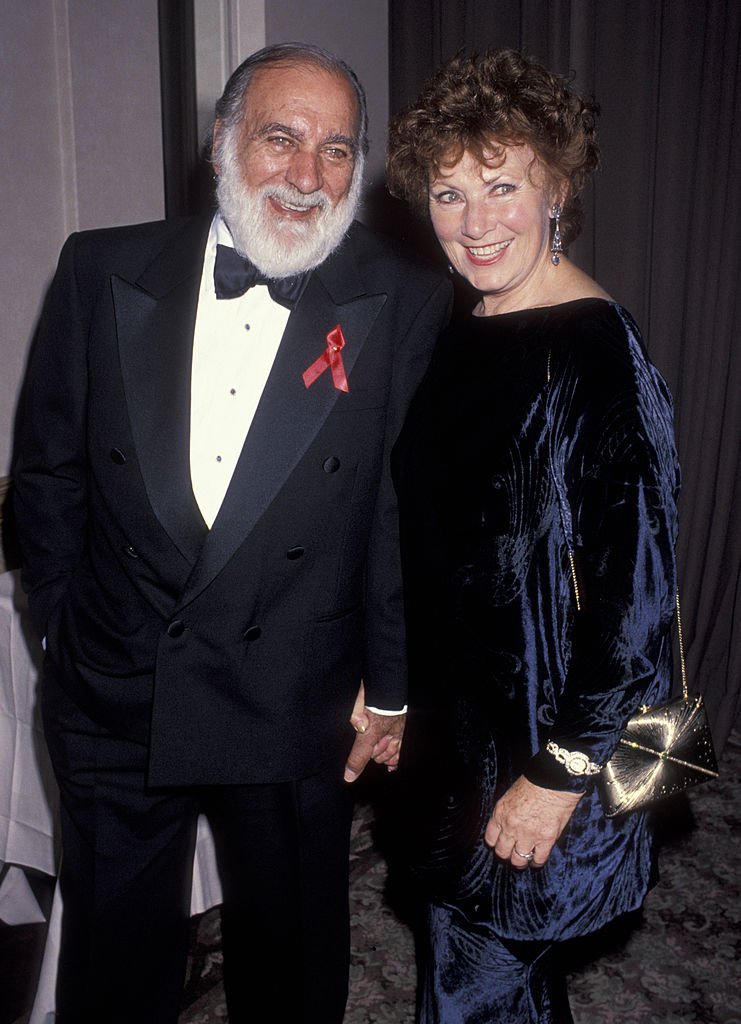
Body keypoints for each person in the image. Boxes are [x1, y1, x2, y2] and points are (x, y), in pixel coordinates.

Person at [12, 42, 451, 1024]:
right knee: (113, 967)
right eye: (281, 139)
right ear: (222, 144)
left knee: (289, 971)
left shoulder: (404, 297)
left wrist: (390, 685)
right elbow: (47, 475)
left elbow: (395, 508)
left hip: (293, 700)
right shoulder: (101, 269)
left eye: (337, 150)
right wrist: (61, 629)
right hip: (119, 691)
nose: (307, 175)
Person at [387, 49, 680, 1022]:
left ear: (558, 184)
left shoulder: (594, 348)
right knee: (495, 983)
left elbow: (638, 606)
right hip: (457, 735)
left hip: (539, 751)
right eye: (448, 192)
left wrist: (557, 778)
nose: (476, 223)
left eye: (502, 185)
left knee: (472, 990)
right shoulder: (468, 323)